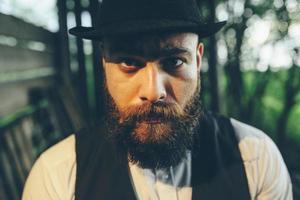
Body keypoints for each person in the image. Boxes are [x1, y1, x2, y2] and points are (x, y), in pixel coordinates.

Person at [22, 0, 293, 199]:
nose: (153, 92)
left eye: (174, 61)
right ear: (104, 63)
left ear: (197, 61)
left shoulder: (256, 159)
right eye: (129, 62)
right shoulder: (57, 176)